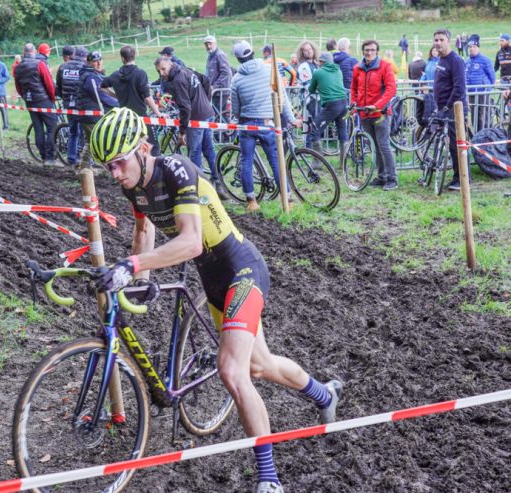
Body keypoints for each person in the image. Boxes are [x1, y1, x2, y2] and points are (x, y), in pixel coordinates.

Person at [89, 106, 343, 493]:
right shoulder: (132, 186)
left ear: (142, 149)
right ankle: (323, 393)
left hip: (242, 269)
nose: (115, 173)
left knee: (231, 370)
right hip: (213, 279)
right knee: (259, 365)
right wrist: (140, 278)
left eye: (119, 162)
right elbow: (144, 231)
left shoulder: (177, 170)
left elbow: (190, 242)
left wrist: (130, 264)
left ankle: (269, 480)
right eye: (107, 166)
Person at [231, 41, 298, 212]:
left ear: (238, 59)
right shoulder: (270, 70)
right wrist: (290, 118)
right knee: (275, 161)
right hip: (268, 123)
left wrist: (240, 118)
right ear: (253, 52)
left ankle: (251, 201)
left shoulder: (236, 79)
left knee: (247, 160)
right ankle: (287, 198)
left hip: (247, 124)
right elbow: (282, 98)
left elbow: (236, 109)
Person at [154, 57, 227, 198]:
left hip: (196, 119)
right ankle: (218, 184)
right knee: (209, 150)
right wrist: (205, 100)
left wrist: (182, 132)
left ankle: (202, 189)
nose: (162, 73)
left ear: (170, 64)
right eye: (159, 71)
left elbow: (185, 108)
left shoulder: (177, 80)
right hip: (207, 113)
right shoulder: (186, 70)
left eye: (163, 69)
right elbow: (206, 80)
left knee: (194, 153)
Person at [351, 39, 398, 191]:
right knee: (374, 146)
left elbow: (391, 89)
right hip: (364, 113)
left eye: (372, 50)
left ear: (377, 51)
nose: (369, 52)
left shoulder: (385, 66)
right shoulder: (357, 68)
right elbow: (353, 89)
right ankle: (382, 176)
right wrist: (353, 104)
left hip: (380, 114)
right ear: (362, 51)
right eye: (366, 50)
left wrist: (377, 106)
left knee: (383, 145)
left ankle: (392, 178)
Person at [102, 45, 163, 155]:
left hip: (125, 117)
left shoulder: (115, 75)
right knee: (153, 147)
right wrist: (158, 113)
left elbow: (102, 86)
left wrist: (116, 96)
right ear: (134, 56)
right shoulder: (140, 73)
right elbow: (147, 97)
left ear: (122, 58)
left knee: (132, 147)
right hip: (141, 117)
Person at [431, 28, 468, 191]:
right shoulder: (441, 60)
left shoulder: (455, 60)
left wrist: (447, 106)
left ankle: (462, 179)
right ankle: (454, 176)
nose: (438, 43)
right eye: (436, 40)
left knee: (457, 145)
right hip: (443, 109)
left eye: (441, 40)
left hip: (455, 111)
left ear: (449, 41)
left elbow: (459, 88)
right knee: (448, 145)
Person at [15, 43, 58, 166]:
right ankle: (50, 157)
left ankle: (43, 155)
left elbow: (18, 87)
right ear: (34, 52)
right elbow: (49, 83)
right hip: (43, 100)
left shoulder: (18, 67)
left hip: (30, 101)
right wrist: (52, 97)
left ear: (24, 52)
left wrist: (25, 97)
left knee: (38, 128)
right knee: (52, 127)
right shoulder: (40, 64)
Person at [76, 50, 118, 173]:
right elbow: (100, 96)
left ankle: (84, 167)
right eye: (95, 61)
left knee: (92, 142)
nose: (98, 63)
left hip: (92, 113)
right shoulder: (90, 77)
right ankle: (110, 169)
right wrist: (117, 104)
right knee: (99, 141)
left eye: (100, 60)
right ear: (89, 62)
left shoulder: (93, 74)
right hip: (90, 115)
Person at [307, 51, 348, 158]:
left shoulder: (318, 72)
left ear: (322, 61)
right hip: (344, 102)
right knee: (342, 132)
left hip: (331, 104)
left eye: (319, 61)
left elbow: (311, 89)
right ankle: (342, 163)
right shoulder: (338, 70)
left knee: (315, 129)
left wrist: (318, 87)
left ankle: (318, 161)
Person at [56, 45, 85, 167]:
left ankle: (71, 158)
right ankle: (85, 159)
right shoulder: (84, 67)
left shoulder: (63, 67)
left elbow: (59, 86)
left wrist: (64, 98)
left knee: (73, 132)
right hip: (82, 104)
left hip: (68, 103)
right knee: (84, 132)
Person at [465, 35, 495, 131]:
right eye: (470, 47)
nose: (472, 49)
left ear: (478, 47)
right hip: (472, 93)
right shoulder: (467, 61)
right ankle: (477, 134)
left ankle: (487, 135)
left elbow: (492, 77)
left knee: (484, 115)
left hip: (482, 93)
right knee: (475, 115)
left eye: (474, 47)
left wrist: (487, 88)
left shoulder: (485, 60)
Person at [203, 35, 233, 122]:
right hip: (215, 91)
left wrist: (215, 86)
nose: (208, 46)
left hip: (221, 91)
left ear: (215, 43)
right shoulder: (211, 55)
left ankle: (226, 133)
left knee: (220, 115)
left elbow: (226, 72)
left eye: (210, 44)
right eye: (206, 44)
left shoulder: (219, 55)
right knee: (217, 114)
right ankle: (222, 134)